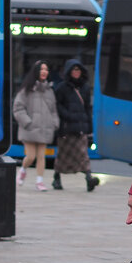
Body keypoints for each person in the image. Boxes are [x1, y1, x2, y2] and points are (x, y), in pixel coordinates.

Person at [12, 60, 59, 192]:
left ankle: (39, 181)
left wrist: (54, 123)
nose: (44, 72)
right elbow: (18, 108)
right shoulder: (26, 90)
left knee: (41, 156)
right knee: (31, 156)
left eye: (46, 69)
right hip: (30, 129)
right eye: (41, 69)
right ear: (36, 71)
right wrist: (27, 122)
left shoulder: (50, 90)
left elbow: (53, 110)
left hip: (45, 129)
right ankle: (23, 169)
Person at [53, 60, 99, 192]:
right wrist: (67, 115)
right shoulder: (62, 87)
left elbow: (87, 108)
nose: (76, 72)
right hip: (66, 128)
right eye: (74, 70)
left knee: (83, 154)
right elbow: (57, 105)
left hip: (80, 127)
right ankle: (56, 178)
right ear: (69, 72)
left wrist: (89, 126)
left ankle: (89, 178)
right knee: (63, 155)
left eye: (78, 70)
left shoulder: (84, 87)